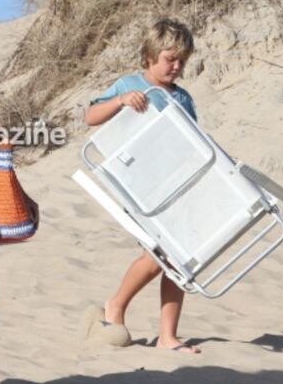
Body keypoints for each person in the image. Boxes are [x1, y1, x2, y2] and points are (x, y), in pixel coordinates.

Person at [84, 18, 202, 354]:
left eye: (182, 60)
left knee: (179, 261)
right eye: (170, 59)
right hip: (141, 186)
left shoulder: (184, 98)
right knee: (157, 255)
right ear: (150, 55)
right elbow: (90, 115)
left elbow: (192, 142)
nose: (176, 67)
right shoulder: (130, 83)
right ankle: (116, 304)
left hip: (178, 187)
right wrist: (120, 102)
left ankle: (168, 336)